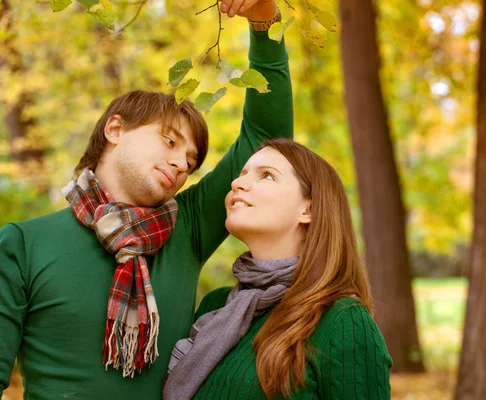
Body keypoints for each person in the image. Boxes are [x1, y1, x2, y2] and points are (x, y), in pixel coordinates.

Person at [0, 0, 292, 398]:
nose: (179, 164)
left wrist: (263, 21)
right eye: (169, 141)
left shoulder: (186, 228)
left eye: (190, 161)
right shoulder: (23, 244)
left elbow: (265, 136)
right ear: (115, 129)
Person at [163, 138, 393, 400]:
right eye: (242, 174)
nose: (237, 183)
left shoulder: (342, 320)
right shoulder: (216, 306)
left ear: (308, 210)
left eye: (267, 176)